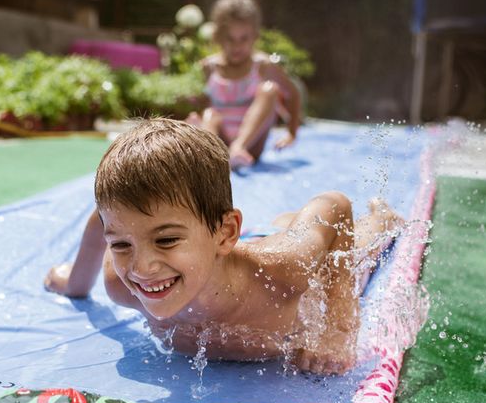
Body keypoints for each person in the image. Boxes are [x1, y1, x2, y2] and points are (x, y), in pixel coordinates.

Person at [45, 119, 401, 375]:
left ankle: (381, 218)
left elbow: (334, 205)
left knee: (356, 257)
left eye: (165, 239)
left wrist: (338, 326)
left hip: (277, 262)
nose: (141, 267)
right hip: (213, 254)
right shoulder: (123, 285)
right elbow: (101, 220)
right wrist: (75, 282)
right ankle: (281, 222)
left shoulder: (282, 271)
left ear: (226, 231)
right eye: (121, 244)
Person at [187, 0, 302, 168]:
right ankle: (212, 155)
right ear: (218, 37)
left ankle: (238, 148)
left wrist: (291, 134)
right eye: (230, 39)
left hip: (251, 147)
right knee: (209, 114)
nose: (237, 46)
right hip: (219, 141)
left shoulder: (263, 66)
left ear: (255, 36)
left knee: (269, 90)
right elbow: (196, 102)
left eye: (243, 39)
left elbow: (293, 94)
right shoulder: (208, 67)